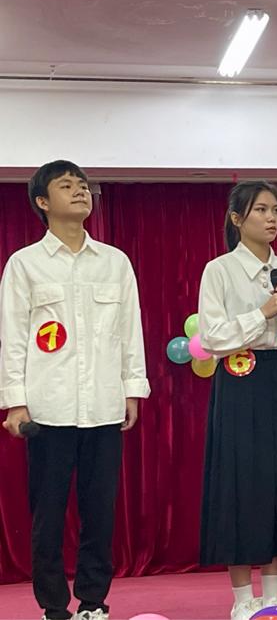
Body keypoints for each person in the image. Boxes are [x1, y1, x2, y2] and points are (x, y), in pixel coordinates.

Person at [0, 160, 150, 620]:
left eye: (83, 185)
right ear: (42, 202)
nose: (80, 191)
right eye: (66, 186)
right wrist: (15, 402)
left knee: (99, 513)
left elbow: (129, 330)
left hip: (103, 405)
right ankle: (53, 607)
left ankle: (93, 602)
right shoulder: (24, 264)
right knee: (47, 515)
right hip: (48, 409)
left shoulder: (114, 262)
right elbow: (13, 337)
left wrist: (131, 389)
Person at [197, 181, 277, 620]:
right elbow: (212, 337)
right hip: (237, 377)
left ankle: (273, 595)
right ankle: (242, 598)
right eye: (261, 210)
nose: (271, 219)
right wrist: (262, 313)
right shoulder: (219, 270)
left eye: (276, 210)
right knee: (239, 482)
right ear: (237, 219)